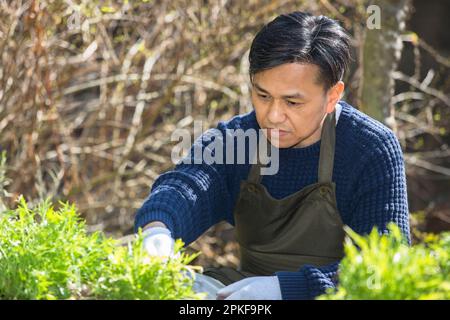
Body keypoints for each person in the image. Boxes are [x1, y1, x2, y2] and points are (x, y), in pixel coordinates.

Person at [135, 11, 410, 300]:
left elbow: (383, 269)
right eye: (263, 96)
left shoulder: (371, 149)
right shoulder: (238, 139)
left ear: (332, 96)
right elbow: (187, 185)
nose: (273, 116)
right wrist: (157, 231)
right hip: (243, 293)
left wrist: (285, 290)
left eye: (292, 102)